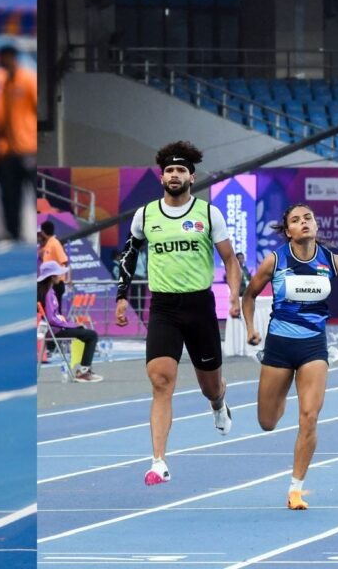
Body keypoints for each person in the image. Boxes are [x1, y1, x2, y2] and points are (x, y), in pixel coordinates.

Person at [243, 203, 338, 510]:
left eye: (308, 218)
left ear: (315, 225)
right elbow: (249, 296)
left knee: (309, 417)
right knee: (267, 422)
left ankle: (296, 489)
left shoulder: (331, 261)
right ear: (288, 231)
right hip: (279, 345)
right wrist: (250, 328)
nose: (303, 223)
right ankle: (282, 390)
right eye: (296, 220)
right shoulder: (275, 260)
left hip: (314, 346)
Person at [115, 141, 241, 486]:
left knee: (209, 386)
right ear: (161, 177)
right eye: (169, 170)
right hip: (164, 308)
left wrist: (233, 295)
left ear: (191, 177)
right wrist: (122, 295)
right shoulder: (146, 215)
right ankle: (159, 462)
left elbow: (230, 259)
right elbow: (128, 254)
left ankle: (218, 404)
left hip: (199, 307)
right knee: (160, 381)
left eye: (181, 170)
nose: (174, 175)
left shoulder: (208, 214)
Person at [0, 44, 37, 240]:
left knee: (37, 195)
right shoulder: (3, 83)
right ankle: (13, 233)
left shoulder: (27, 79)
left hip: (29, 148)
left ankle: (46, 233)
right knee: (10, 195)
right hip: (9, 150)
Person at [40, 261, 104, 383]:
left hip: (55, 328)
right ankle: (83, 372)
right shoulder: (48, 293)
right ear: (52, 277)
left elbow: (54, 317)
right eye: (58, 274)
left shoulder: (47, 291)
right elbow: (52, 319)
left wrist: (71, 324)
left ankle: (84, 370)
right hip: (55, 330)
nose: (61, 276)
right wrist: (71, 325)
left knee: (84, 332)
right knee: (92, 335)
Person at [37, 220, 69, 313]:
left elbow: (64, 260)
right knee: (46, 308)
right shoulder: (48, 244)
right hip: (48, 282)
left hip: (55, 283)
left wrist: (58, 276)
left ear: (43, 232)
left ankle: (55, 322)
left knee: (55, 309)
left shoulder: (55, 243)